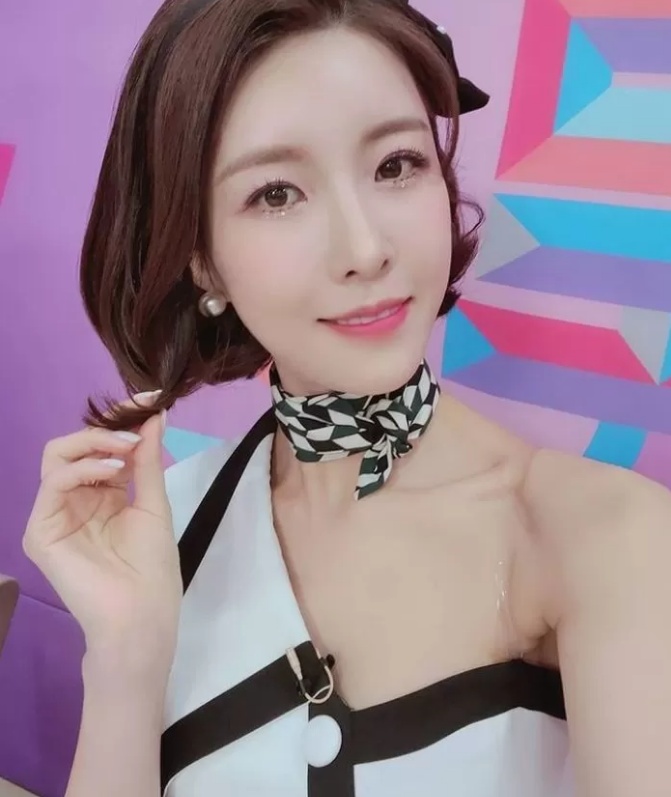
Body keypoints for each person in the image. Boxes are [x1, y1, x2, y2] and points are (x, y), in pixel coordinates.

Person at [21, 0, 671, 795]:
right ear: (202, 260)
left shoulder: (601, 536)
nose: (364, 249)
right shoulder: (167, 525)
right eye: (275, 193)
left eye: (395, 165)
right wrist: (124, 658)